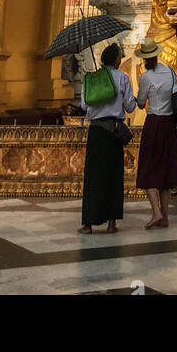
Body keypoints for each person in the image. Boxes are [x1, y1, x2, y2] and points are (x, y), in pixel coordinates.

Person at [79, 43, 136, 235]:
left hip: (96, 131)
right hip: (114, 132)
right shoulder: (122, 78)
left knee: (93, 177)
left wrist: (99, 88)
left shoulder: (91, 78)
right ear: (116, 60)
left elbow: (85, 105)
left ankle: (88, 223)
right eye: (120, 57)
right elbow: (129, 107)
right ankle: (112, 223)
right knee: (113, 176)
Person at [134, 36, 177, 229]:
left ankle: (156, 212)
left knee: (149, 167)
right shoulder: (170, 72)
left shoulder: (145, 77)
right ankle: (166, 216)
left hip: (154, 123)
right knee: (165, 169)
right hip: (169, 123)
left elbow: (140, 102)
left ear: (145, 59)